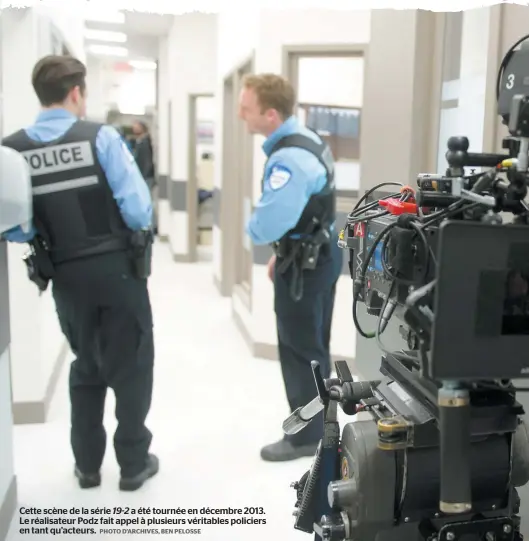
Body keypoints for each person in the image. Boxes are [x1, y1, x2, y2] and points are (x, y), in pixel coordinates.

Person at [1, 55, 158, 491]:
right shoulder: (100, 138)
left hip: (65, 277)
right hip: (118, 273)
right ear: (76, 93)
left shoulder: (13, 151)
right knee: (133, 365)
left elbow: (17, 226)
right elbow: (138, 208)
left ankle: (87, 466)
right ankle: (132, 463)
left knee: (86, 365)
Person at [238, 73, 343, 462]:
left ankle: (305, 438)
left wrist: (270, 239)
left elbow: (267, 222)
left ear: (269, 114)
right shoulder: (309, 139)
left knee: (301, 352)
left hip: (305, 265)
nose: (240, 114)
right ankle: (321, 427)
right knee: (315, 345)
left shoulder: (288, 159)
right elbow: (308, 211)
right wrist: (283, 251)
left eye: (246, 108)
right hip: (320, 253)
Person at [132, 120, 157, 233]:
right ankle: (149, 225)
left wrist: (142, 177)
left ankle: (151, 227)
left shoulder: (145, 142)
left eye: (136, 126)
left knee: (147, 203)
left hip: (146, 177)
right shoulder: (139, 141)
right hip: (143, 177)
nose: (134, 128)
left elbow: (147, 162)